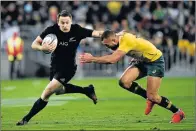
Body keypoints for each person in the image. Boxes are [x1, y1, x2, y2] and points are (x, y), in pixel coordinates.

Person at [16, 10, 106, 126]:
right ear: (58, 22)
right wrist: (41, 48)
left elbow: (97, 33)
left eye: (67, 22)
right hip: (54, 67)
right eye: (62, 23)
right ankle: (87, 90)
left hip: (68, 68)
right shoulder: (51, 30)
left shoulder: (77, 30)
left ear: (71, 21)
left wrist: (114, 35)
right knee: (58, 91)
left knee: (47, 92)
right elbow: (34, 44)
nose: (64, 25)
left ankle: (25, 119)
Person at [79, 30, 185, 123]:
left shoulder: (126, 41)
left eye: (107, 45)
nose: (107, 47)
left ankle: (178, 112)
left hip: (155, 61)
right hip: (142, 61)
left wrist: (92, 59)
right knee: (124, 82)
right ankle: (149, 98)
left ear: (114, 41)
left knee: (153, 96)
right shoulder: (119, 37)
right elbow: (125, 33)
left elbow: (112, 59)